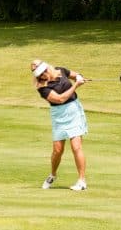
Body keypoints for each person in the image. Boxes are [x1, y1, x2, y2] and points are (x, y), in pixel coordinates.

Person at [31, 59, 88, 191]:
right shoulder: (42, 87)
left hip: (74, 111)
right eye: (39, 75)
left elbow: (75, 75)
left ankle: (82, 181)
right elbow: (60, 99)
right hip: (59, 115)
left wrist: (79, 77)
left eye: (43, 71)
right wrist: (76, 86)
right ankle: (53, 174)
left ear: (47, 68)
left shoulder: (61, 70)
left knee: (76, 146)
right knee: (57, 150)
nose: (42, 75)